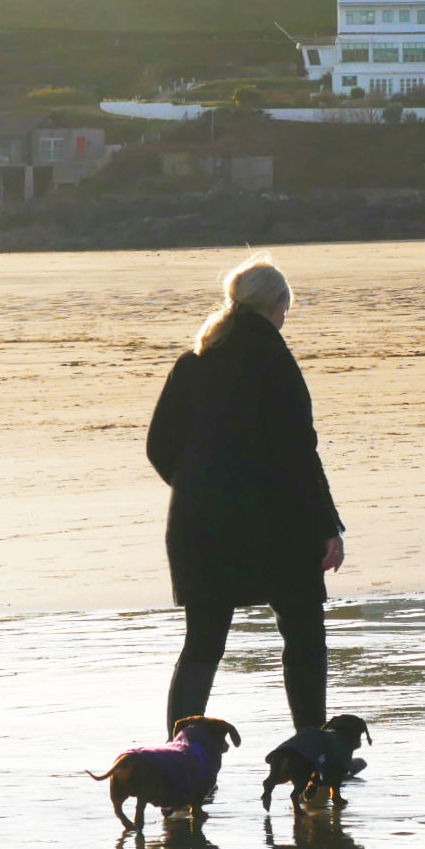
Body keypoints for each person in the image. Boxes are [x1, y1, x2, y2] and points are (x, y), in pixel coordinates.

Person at [147, 252, 348, 765]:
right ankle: (313, 747)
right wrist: (328, 527)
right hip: (277, 524)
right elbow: (297, 452)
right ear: (277, 305)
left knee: (203, 643)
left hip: (198, 524)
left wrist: (197, 489)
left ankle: (180, 752)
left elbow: (159, 446)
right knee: (303, 633)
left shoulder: (194, 359)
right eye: (286, 308)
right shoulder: (274, 360)